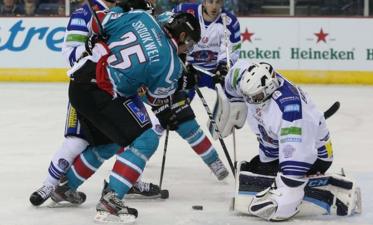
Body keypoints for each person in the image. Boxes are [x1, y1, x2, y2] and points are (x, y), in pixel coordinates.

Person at [51, 9, 201, 223]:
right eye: (191, 43)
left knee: (115, 139)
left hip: (79, 84)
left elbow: (98, 25)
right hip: (102, 93)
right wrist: (183, 83)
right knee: (147, 139)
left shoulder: (142, 17)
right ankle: (112, 198)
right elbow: (154, 97)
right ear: (183, 36)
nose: (189, 49)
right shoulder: (171, 65)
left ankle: (67, 186)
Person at [29, 0, 160, 207]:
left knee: (129, 135)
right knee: (77, 141)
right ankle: (50, 184)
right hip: (88, 86)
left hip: (116, 88)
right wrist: (90, 48)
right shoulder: (85, 11)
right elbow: (70, 54)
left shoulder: (126, 8)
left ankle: (130, 180)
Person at [221, 60, 334, 221]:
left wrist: (287, 193)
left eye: (256, 97)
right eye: (247, 97)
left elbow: (298, 154)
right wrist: (234, 101)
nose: (251, 101)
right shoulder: (248, 78)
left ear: (271, 88)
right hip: (275, 142)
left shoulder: (290, 111)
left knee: (286, 176)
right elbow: (232, 76)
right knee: (256, 167)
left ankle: (306, 188)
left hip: (315, 155)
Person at [145, 0, 242, 181]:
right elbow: (169, 34)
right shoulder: (185, 10)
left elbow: (232, 50)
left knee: (237, 93)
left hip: (213, 71)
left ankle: (217, 124)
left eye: (218, 2)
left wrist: (222, 67)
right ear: (204, 1)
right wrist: (180, 62)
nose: (214, 7)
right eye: (211, 1)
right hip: (186, 69)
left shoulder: (230, 20)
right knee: (173, 112)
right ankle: (146, 148)